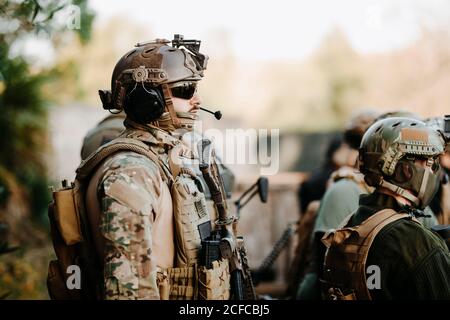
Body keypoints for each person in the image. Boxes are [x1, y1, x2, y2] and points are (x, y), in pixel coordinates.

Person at [48, 35, 233, 300]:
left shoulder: (157, 161)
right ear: (149, 98)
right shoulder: (132, 172)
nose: (197, 101)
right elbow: (128, 291)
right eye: (185, 90)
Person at [321, 117, 450, 299]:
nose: (436, 173)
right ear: (406, 170)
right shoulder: (415, 241)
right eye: (431, 164)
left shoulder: (350, 225)